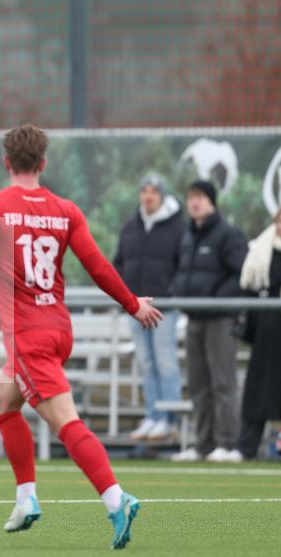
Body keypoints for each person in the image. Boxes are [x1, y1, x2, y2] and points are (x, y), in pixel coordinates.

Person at [0, 124, 162, 550]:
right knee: (2, 403)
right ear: (43, 163)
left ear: (6, 162)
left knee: (65, 422)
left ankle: (116, 499)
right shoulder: (65, 209)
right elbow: (97, 267)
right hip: (58, 328)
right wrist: (133, 304)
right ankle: (26, 498)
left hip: (28, 337)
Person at [169, 180, 248, 463]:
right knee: (199, 384)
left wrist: (216, 298)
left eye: (200, 197)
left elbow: (241, 274)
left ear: (212, 201)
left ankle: (227, 444)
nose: (194, 202)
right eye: (191, 197)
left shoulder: (228, 234)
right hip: (194, 319)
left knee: (222, 382)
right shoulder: (188, 237)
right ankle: (203, 445)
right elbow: (181, 272)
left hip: (220, 319)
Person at [113, 174, 186, 441]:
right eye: (144, 190)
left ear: (162, 195)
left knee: (166, 364)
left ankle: (170, 419)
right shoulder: (131, 226)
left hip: (163, 307)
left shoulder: (178, 226)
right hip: (135, 307)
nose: (148, 196)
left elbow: (184, 265)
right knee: (146, 364)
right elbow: (118, 262)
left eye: (153, 191)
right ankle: (153, 416)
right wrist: (126, 295)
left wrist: (170, 292)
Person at [234, 205, 281, 463]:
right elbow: (250, 287)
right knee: (258, 390)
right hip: (266, 332)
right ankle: (246, 447)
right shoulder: (262, 249)